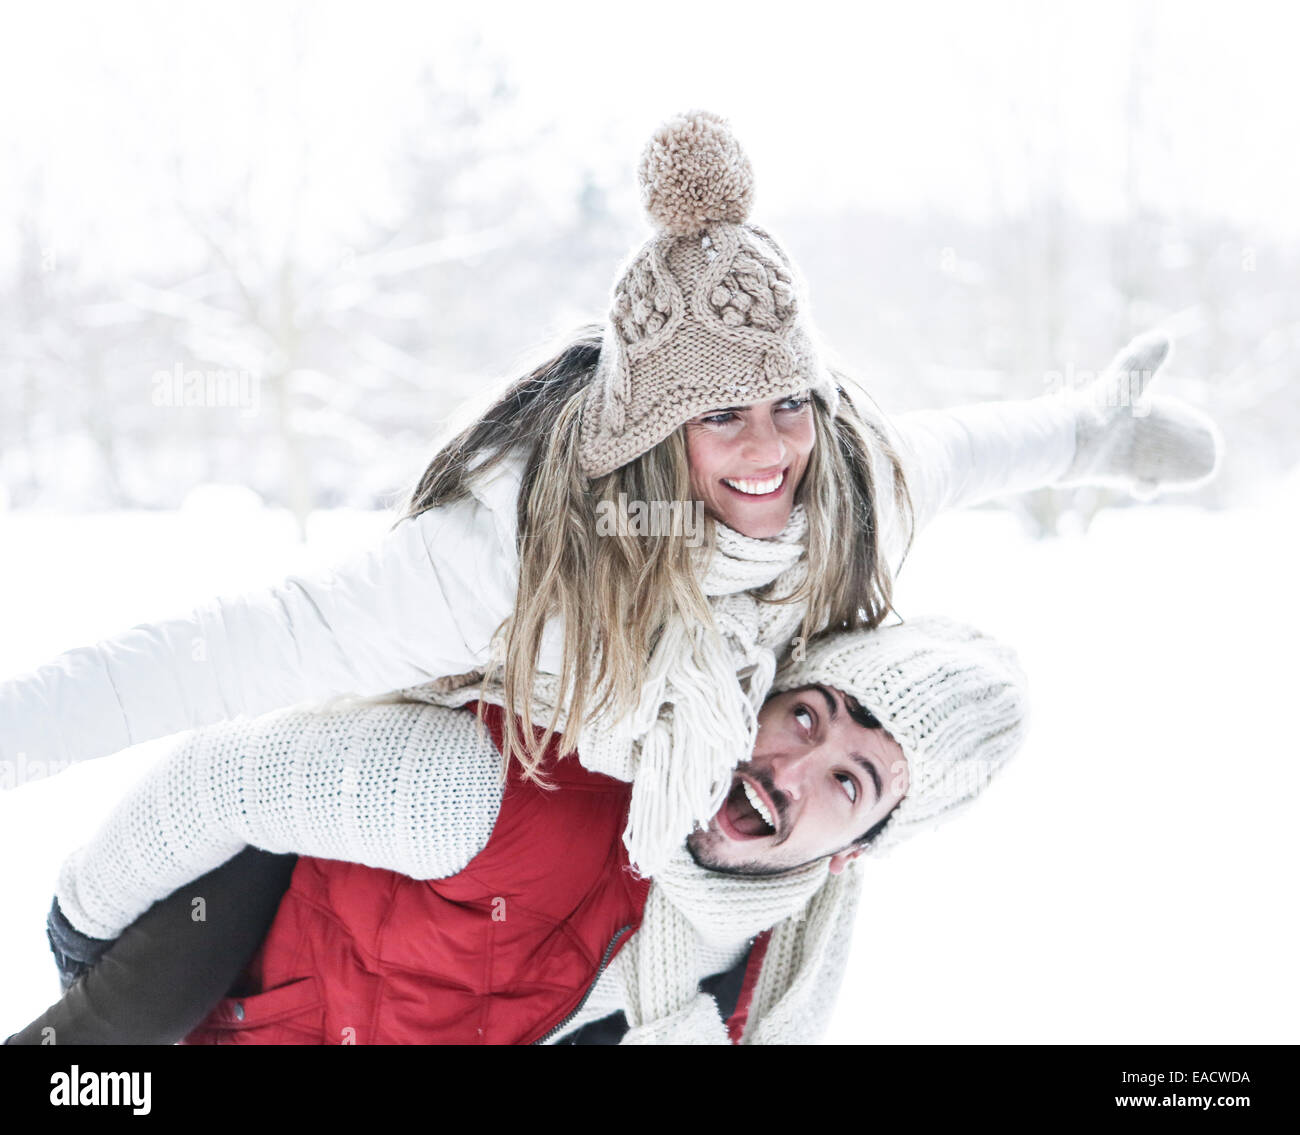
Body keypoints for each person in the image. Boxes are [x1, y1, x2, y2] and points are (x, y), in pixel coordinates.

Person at [0, 111, 1219, 881]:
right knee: (450, 809)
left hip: (658, 808)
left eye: (788, 403)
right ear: (651, 430)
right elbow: (218, 653)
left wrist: (1092, 432)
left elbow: (975, 446)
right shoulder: (509, 561)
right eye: (720, 417)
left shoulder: (850, 486)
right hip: (471, 759)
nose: (767, 450)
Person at [9, 616, 1027, 1045]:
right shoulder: (521, 789)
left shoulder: (772, 977)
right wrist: (89, 950)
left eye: (849, 778)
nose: (791, 769)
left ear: (858, 849)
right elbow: (225, 776)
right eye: (806, 713)